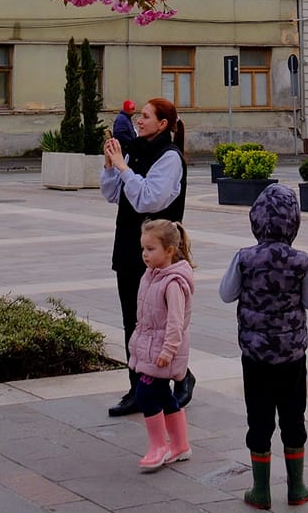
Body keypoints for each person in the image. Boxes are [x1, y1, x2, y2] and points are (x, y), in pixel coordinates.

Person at [220, 183, 308, 509]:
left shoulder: (245, 258)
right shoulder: (301, 261)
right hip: (292, 355)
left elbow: (226, 293)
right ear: (295, 221)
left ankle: (260, 491)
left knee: (259, 418)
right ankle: (297, 487)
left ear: (256, 219)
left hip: (255, 355)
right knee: (293, 417)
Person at [100, 97, 193, 415]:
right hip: (129, 244)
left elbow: (148, 200)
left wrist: (124, 168)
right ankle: (137, 389)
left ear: (162, 124)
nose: (138, 121)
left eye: (145, 116)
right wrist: (111, 165)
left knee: (161, 321)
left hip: (160, 252)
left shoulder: (170, 158)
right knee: (134, 321)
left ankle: (179, 376)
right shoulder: (135, 149)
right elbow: (113, 194)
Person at [128, 217, 196, 472]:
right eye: (143, 248)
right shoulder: (152, 275)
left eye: (151, 249)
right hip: (150, 346)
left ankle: (159, 445)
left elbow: (175, 323)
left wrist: (168, 350)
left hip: (163, 351)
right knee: (163, 394)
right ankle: (180, 445)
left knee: (145, 394)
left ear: (169, 251)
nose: (145, 254)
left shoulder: (173, 283)